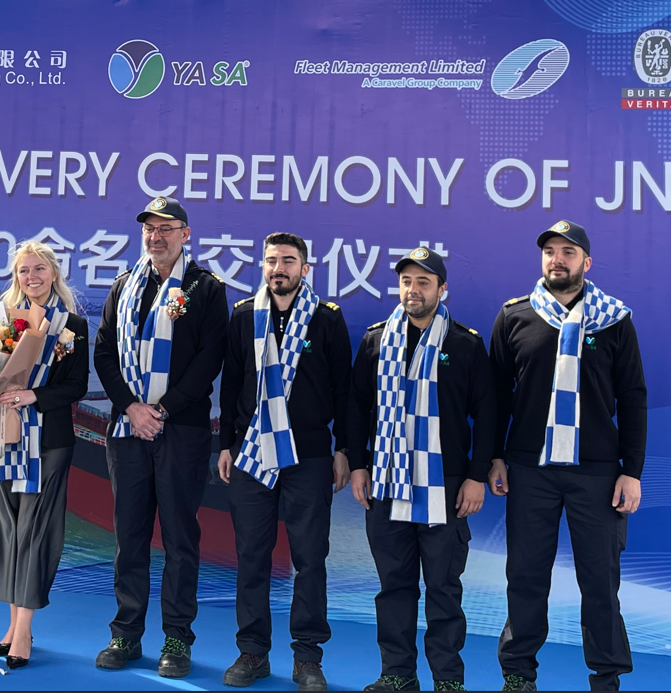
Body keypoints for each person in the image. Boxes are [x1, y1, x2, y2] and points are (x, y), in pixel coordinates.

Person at [489, 221, 644, 692]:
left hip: (596, 473)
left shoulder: (614, 319)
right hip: (529, 469)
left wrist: (631, 472)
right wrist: (493, 458)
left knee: (600, 580)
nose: (558, 259)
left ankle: (607, 676)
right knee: (526, 575)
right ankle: (518, 674)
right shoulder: (515, 316)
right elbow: (496, 396)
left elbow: (633, 397)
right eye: (550, 251)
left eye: (568, 252)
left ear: (586, 263)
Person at [348, 247, 495, 692]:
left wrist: (475, 475)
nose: (414, 290)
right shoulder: (376, 340)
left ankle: (448, 679)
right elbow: (356, 409)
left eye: (424, 282)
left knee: (443, 587)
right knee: (394, 585)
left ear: (441, 289)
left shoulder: (464, 344)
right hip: (387, 480)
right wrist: (358, 465)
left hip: (446, 485)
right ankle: (397, 673)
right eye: (407, 282)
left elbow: (487, 413)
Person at [93, 196, 228, 678]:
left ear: (185, 235)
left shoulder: (206, 289)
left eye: (167, 227)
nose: (156, 235)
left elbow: (209, 360)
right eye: (150, 228)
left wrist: (163, 410)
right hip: (127, 430)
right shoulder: (123, 285)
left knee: (179, 538)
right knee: (128, 538)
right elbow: (104, 352)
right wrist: (132, 407)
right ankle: (126, 633)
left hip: (182, 431)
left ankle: (177, 639)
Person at [217, 232, 352, 690]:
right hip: (252, 454)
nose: (280, 268)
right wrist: (227, 445)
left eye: (289, 261)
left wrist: (343, 449)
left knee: (309, 558)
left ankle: (308, 657)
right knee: (251, 556)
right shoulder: (243, 317)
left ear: (305, 269)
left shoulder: (327, 320)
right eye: (272, 259)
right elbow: (231, 383)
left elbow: (344, 392)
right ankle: (252, 652)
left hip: (309, 456)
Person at [0, 241, 89, 669]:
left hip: (48, 441)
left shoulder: (72, 326)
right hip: (1, 436)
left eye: (39, 269)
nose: (31, 277)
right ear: (14, 276)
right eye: (23, 271)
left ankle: (22, 631)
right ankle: (17, 623)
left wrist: (33, 394)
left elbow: (76, 385)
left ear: (53, 273)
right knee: (8, 532)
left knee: (34, 532)